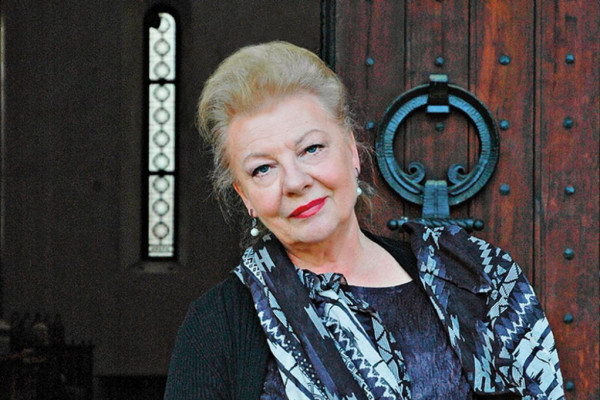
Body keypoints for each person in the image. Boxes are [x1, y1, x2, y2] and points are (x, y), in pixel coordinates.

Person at [164, 41, 564, 400]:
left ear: (352, 151)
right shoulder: (216, 325)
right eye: (263, 169)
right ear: (245, 197)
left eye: (311, 149)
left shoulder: (468, 276)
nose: (296, 182)